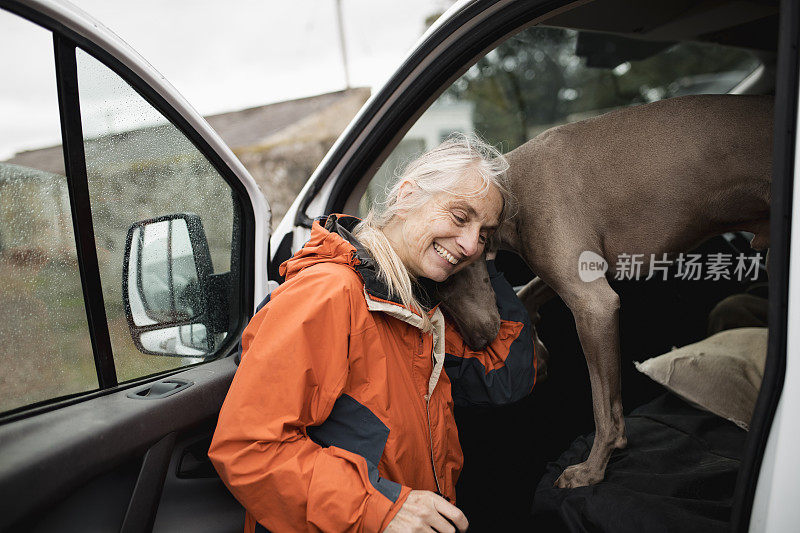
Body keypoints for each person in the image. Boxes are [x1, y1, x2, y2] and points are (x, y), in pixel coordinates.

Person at [209, 134, 539, 533]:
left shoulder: (415, 305)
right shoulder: (329, 294)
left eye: (484, 234)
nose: (470, 245)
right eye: (459, 216)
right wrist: (380, 509)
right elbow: (247, 449)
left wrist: (482, 265)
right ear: (406, 197)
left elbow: (508, 373)